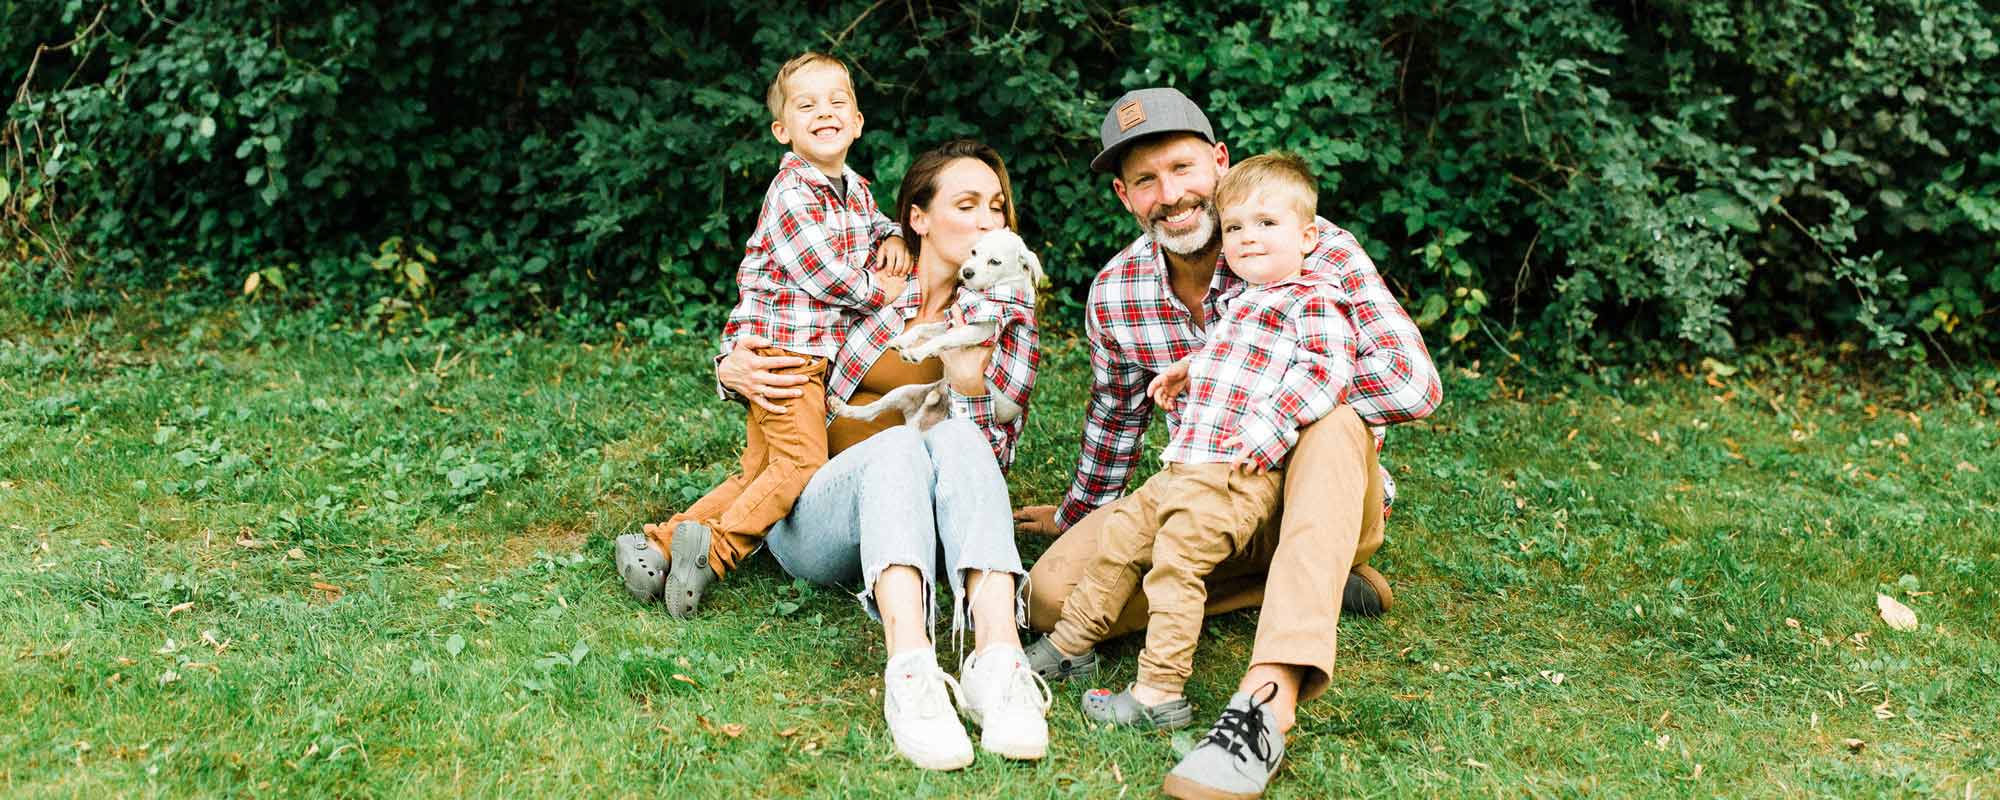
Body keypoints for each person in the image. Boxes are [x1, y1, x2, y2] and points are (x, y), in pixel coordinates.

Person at [1013, 88, 1442, 799]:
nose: (1171, 195)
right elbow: (1117, 417)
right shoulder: (1118, 291)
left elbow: (1412, 385)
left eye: (1183, 168)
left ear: (1219, 162)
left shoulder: (1311, 244)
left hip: (1318, 499)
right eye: (1146, 180)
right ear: (1125, 196)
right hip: (1203, 500)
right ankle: (1297, 588)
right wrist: (1075, 513)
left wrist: (1272, 403)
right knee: (1055, 598)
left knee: (1334, 419)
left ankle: (1265, 701)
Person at [630, 140, 1048, 771]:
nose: (991, 220)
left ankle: (998, 661)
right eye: (968, 205)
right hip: (813, 515)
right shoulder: (865, 284)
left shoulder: (1005, 308)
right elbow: (774, 314)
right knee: (895, 443)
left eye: (997, 206)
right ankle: (911, 672)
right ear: (919, 218)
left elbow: (989, 461)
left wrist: (966, 386)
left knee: (949, 436)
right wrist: (730, 363)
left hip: (927, 528)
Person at [1024, 153, 1358, 737]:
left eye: (1267, 227)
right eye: (1236, 229)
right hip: (1186, 466)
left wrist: (1272, 426)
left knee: (1175, 565)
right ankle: (1072, 644)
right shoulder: (1242, 301)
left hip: (1239, 471)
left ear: (1309, 236)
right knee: (1122, 540)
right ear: (1124, 195)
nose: (1249, 239)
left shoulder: (1314, 296)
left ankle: (1159, 690)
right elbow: (1126, 409)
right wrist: (1190, 368)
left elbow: (1326, 371)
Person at [617, 51, 911, 618]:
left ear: (857, 121)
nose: (824, 112)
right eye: (806, 105)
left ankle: (657, 545)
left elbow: (873, 226)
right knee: (800, 466)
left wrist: (894, 234)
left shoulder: (853, 189)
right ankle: (716, 553)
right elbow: (824, 275)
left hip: (802, 355)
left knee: (760, 471)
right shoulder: (792, 192)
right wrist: (885, 289)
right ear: (783, 129)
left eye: (837, 102)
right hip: (783, 355)